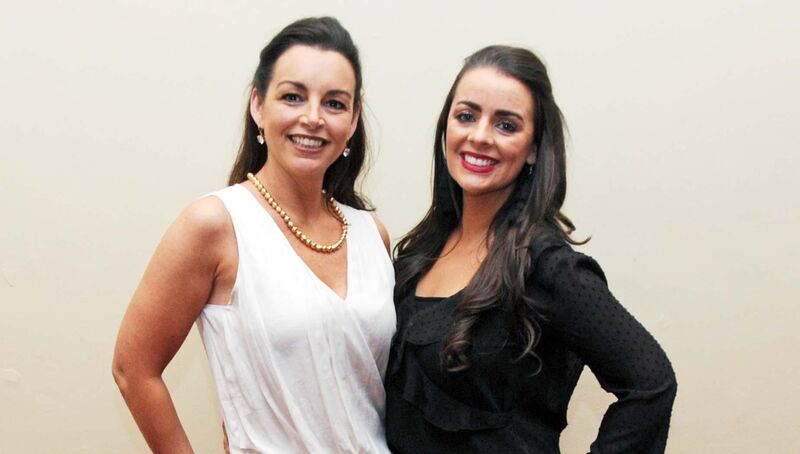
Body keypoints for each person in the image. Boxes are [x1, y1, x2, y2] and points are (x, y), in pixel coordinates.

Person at [112, 17, 395, 453]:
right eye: (293, 96)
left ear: (354, 121)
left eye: (335, 103)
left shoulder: (371, 234)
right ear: (258, 106)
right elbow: (133, 368)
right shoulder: (215, 224)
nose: (313, 117)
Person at [386, 45, 677, 453]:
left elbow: (651, 383)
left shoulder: (546, 266)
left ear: (535, 148)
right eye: (466, 116)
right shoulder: (421, 253)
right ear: (446, 127)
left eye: (506, 125)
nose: (480, 136)